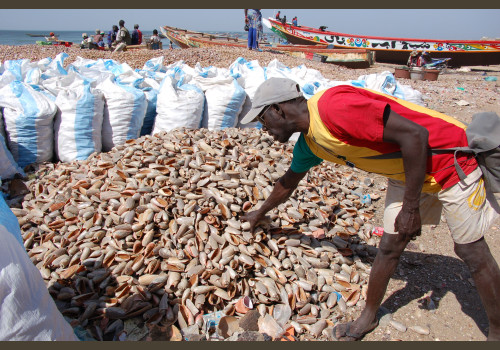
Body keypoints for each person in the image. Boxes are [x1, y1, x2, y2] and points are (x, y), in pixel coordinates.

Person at [240, 77, 500, 341]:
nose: (263, 129)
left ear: (278, 110)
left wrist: (411, 208)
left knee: (470, 250)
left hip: (450, 160)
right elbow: (288, 182)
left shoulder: (334, 108)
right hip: (406, 171)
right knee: (390, 244)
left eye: (263, 120)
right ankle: (369, 316)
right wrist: (258, 214)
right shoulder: (310, 144)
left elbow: (416, 135)